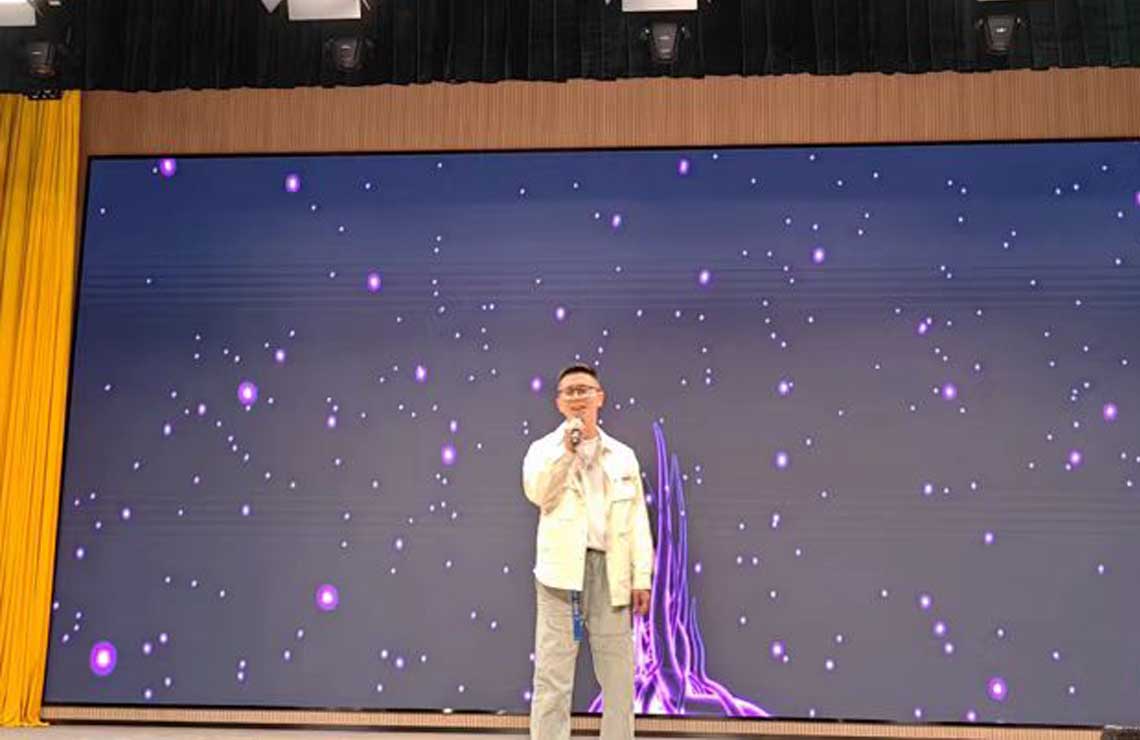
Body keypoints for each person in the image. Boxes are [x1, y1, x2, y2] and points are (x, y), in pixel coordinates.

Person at [522, 364, 654, 740]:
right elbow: (537, 493)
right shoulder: (543, 450)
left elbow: (637, 520)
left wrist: (641, 577)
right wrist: (566, 453)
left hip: (610, 573)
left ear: (600, 398)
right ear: (559, 403)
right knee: (553, 676)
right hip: (561, 576)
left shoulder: (623, 456)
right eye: (570, 391)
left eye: (585, 390)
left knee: (618, 677)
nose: (578, 397)